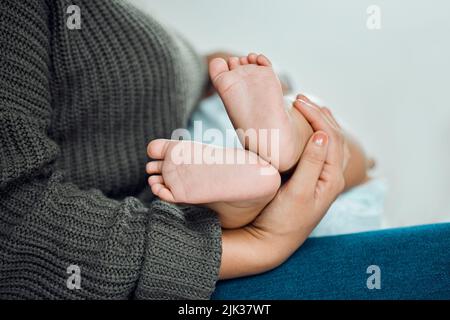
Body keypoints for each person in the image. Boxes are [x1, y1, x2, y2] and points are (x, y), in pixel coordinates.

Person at [1, 0, 449, 300]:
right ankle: (282, 143)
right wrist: (261, 245)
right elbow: (16, 223)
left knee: (313, 160)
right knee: (334, 144)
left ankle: (254, 179)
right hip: (200, 152)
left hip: (190, 171)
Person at [146, 53, 371, 230]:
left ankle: (244, 202)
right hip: (340, 206)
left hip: (207, 146)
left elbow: (213, 61)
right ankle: (291, 138)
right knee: (332, 143)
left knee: (228, 210)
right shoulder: (258, 85)